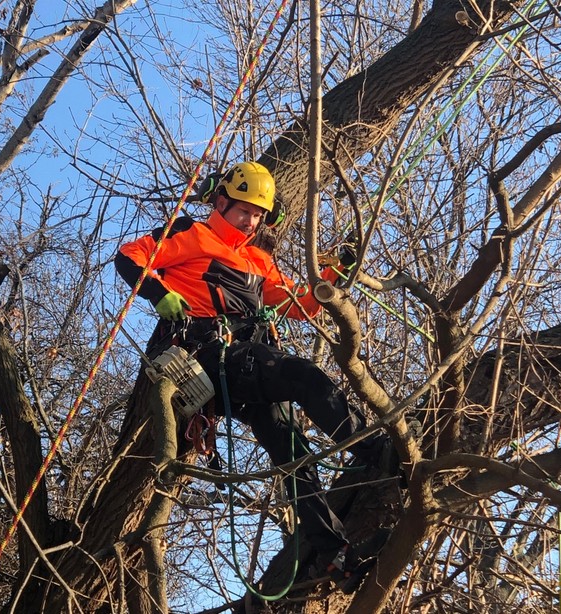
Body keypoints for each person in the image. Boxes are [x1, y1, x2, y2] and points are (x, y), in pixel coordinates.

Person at [115, 161, 387, 589]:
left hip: (249, 366)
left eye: (259, 214)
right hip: (210, 354)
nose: (252, 219)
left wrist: (336, 272)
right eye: (245, 210)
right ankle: (376, 449)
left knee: (294, 454)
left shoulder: (259, 259)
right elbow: (130, 256)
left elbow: (302, 304)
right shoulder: (193, 233)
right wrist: (159, 293)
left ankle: (337, 558)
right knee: (305, 377)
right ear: (221, 202)